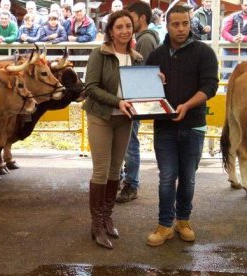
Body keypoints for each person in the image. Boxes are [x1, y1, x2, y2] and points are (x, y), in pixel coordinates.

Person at [145, 5, 218, 247]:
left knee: (188, 178)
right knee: (167, 177)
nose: (181, 29)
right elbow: (144, 93)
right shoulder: (155, 56)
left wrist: (187, 105)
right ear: (167, 26)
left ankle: (183, 221)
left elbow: (210, 87)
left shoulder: (204, 53)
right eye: (176, 24)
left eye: (185, 23)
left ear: (190, 23)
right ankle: (165, 225)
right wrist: (155, 84)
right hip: (164, 127)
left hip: (194, 125)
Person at [82, 10, 143, 249]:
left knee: (115, 170)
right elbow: (91, 87)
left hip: (124, 120)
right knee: (101, 170)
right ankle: (96, 225)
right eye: (119, 27)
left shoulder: (136, 57)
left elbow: (139, 89)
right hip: (101, 116)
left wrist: (156, 82)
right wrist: (117, 102)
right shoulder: (100, 53)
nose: (125, 31)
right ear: (110, 31)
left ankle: (107, 217)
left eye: (128, 26)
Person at [117, 0, 160, 204]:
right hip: (134, 96)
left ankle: (131, 183)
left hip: (135, 97)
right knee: (128, 141)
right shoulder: (145, 38)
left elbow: (140, 73)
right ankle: (126, 179)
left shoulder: (144, 40)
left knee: (129, 142)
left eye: (131, 19)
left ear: (142, 18)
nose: (128, 24)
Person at [221, 0, 247, 79]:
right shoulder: (233, 16)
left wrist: (244, 38)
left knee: (238, 76)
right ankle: (226, 91)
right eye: (246, 5)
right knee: (226, 75)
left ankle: (236, 92)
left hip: (243, 50)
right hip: (228, 50)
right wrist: (232, 38)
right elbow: (224, 32)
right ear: (242, 5)